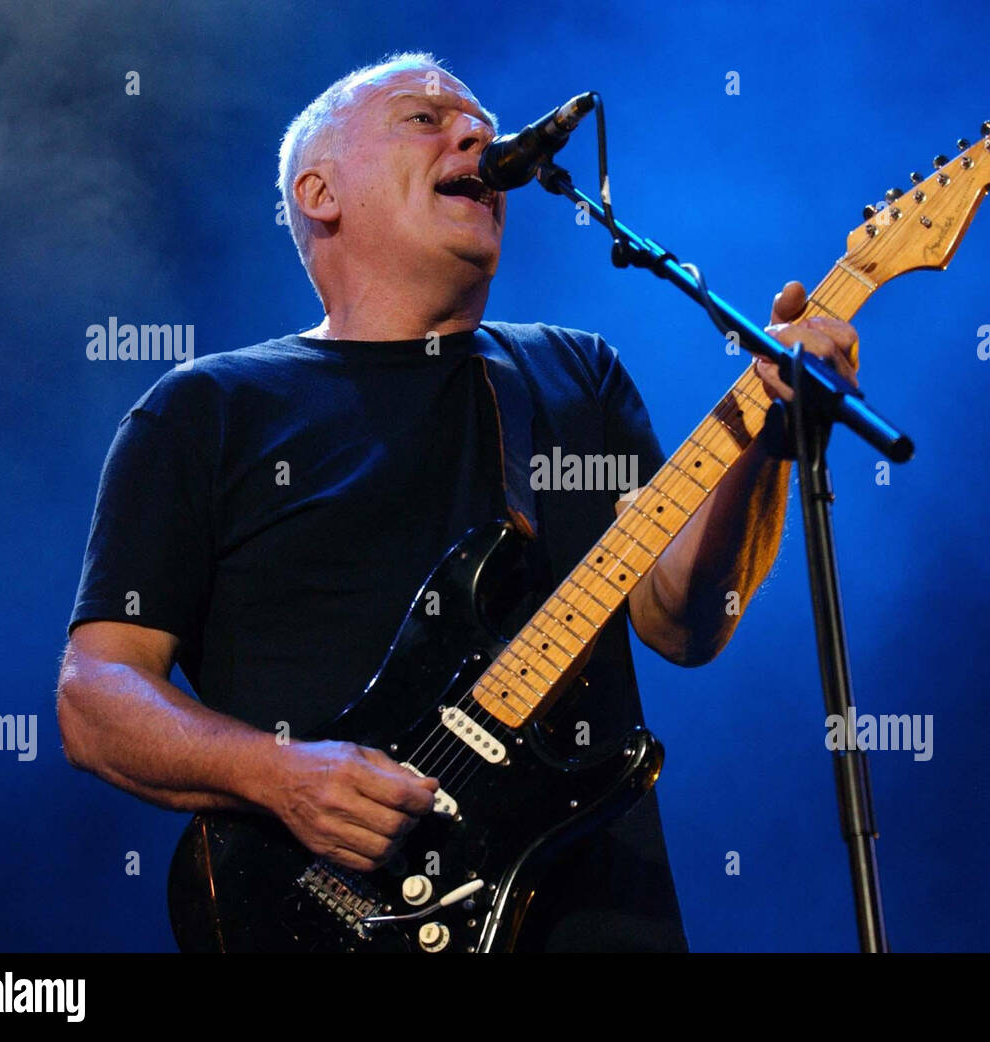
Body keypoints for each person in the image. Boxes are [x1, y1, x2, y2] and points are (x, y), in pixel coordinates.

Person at [56, 51, 860, 952]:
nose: (477, 134)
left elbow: (684, 623)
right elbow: (98, 692)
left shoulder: (571, 375)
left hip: (593, 918)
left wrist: (767, 445)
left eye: (478, 120)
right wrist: (281, 776)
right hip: (320, 917)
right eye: (425, 118)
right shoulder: (207, 410)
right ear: (322, 193)